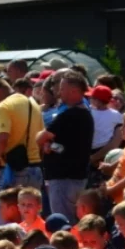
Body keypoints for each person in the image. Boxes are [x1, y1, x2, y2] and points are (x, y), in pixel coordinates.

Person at [37, 72, 94, 221]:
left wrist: (47, 144)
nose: (58, 92)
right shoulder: (84, 113)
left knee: (63, 222)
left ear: (74, 91)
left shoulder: (70, 114)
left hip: (65, 179)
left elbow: (41, 137)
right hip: (76, 178)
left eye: (62, 88)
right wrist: (52, 145)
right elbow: (68, 145)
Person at [0, 76, 44, 192]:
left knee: (4, 209)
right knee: (31, 209)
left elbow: (2, 138)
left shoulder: (3, 106)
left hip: (14, 172)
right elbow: (41, 140)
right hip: (35, 170)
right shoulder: (34, 104)